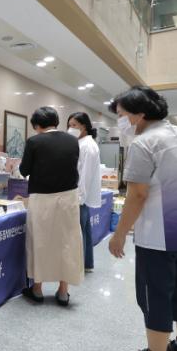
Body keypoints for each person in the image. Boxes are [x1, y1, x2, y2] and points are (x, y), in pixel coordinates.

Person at [108, 86, 177, 351]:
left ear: (139, 115)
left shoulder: (144, 143)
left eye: (122, 115)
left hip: (160, 237)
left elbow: (137, 195)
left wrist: (119, 234)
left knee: (155, 295)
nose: (120, 122)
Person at [19, 106, 83, 306]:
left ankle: (37, 289)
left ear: (37, 125)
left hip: (42, 198)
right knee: (67, 242)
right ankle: (63, 292)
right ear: (56, 122)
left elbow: (24, 170)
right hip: (69, 197)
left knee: (40, 241)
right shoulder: (73, 141)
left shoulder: (34, 141)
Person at [67, 112, 102, 272]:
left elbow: (85, 175)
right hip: (81, 196)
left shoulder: (87, 146)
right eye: (69, 125)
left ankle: (78, 267)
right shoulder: (82, 143)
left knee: (78, 232)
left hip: (79, 197)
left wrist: (79, 198)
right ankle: (87, 263)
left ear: (84, 126)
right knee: (85, 230)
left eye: (74, 125)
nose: (71, 128)